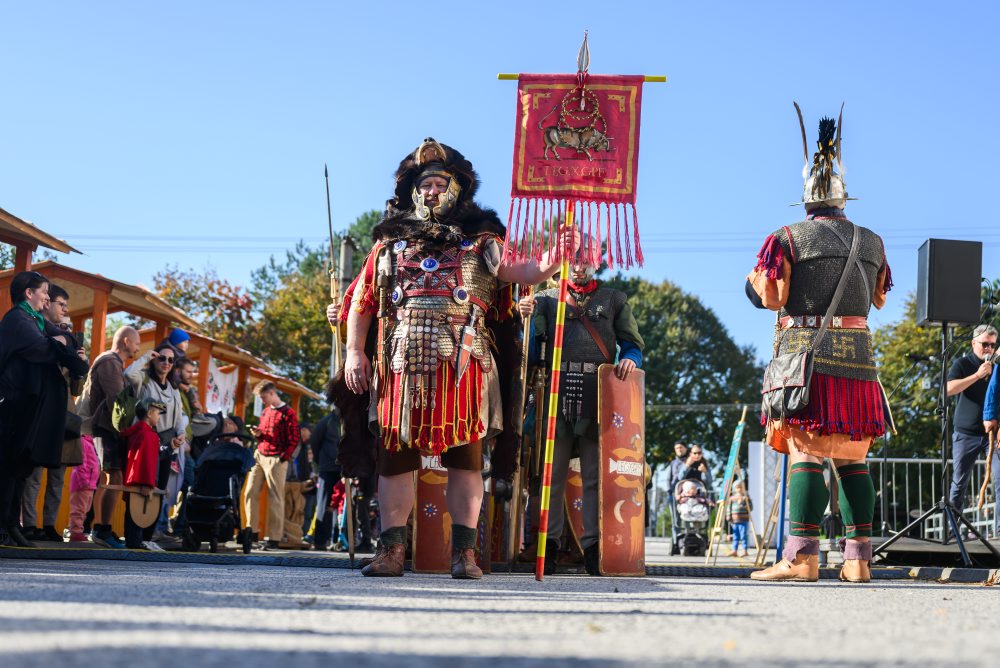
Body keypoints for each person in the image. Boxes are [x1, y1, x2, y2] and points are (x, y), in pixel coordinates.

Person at [333, 138, 575, 579]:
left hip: (464, 364)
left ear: (457, 190)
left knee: (465, 458)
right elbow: (362, 304)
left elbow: (521, 271)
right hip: (400, 364)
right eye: (425, 184)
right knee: (395, 459)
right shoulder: (388, 246)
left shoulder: (483, 242)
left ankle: (464, 554)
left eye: (440, 183)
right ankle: (391, 551)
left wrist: (554, 258)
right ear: (412, 191)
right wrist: (353, 353)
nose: (432, 191)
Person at [746, 106, 892, 583]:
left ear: (806, 198)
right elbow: (879, 297)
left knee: (806, 452)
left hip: (806, 359)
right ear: (843, 196)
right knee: (853, 458)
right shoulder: (872, 241)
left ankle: (802, 558)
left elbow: (771, 297)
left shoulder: (786, 237)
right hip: (860, 361)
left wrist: (753, 282)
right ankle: (858, 561)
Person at [518, 249, 644, 575]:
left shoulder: (614, 299)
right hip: (554, 392)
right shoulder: (545, 299)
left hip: (598, 393)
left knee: (593, 477)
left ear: (597, 261)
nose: (579, 265)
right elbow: (533, 353)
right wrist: (527, 319)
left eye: (585, 258)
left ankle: (592, 547)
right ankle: (549, 544)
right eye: (573, 258)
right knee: (552, 476)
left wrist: (630, 358)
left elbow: (632, 344)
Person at [0, 271, 88, 547]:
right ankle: (5, 527)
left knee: (18, 469)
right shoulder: (17, 319)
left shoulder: (35, 320)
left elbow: (71, 343)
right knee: (7, 469)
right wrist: (60, 343)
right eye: (44, 292)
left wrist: (63, 342)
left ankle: (11, 525)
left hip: (27, 408)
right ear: (29, 293)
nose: (48, 298)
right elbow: (42, 348)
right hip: (10, 407)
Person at [21, 284, 81, 542]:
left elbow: (77, 387)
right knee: (33, 475)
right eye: (61, 305)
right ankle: (29, 525)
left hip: (65, 416)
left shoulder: (68, 340)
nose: (65, 312)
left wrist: (78, 362)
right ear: (47, 304)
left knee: (57, 478)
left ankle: (49, 525)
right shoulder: (36, 331)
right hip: (40, 413)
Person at [125, 343, 187, 541]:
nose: (166, 363)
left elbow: (180, 417)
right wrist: (145, 357)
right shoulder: (144, 381)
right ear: (154, 359)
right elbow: (128, 374)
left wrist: (181, 433)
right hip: (145, 444)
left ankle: (147, 538)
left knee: (159, 490)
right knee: (140, 489)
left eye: (171, 360)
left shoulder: (174, 389)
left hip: (166, 447)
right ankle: (134, 538)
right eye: (162, 358)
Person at [87, 326, 141, 548]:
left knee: (111, 478)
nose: (138, 347)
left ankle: (98, 526)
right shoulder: (109, 362)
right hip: (106, 429)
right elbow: (118, 401)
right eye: (137, 342)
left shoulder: (116, 364)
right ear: (126, 341)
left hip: (111, 430)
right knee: (112, 477)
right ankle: (101, 529)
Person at [947, 325, 999, 529]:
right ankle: (954, 528)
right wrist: (977, 375)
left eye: (992, 345)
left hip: (993, 435)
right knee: (959, 483)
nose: (988, 349)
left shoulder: (998, 366)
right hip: (965, 432)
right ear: (973, 343)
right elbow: (948, 389)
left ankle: (999, 530)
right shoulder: (963, 363)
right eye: (984, 344)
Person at [243, 380, 300, 549]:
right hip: (260, 455)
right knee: (250, 492)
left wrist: (283, 457)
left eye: (263, 397)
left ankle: (274, 538)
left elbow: (294, 438)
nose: (262, 401)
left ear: (272, 393)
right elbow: (266, 435)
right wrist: (258, 434)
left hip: (277, 458)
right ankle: (251, 533)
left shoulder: (288, 413)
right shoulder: (265, 412)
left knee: (276, 498)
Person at [121, 398, 167, 550]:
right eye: (158, 413)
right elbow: (145, 461)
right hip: (142, 481)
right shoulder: (149, 435)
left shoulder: (137, 432)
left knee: (132, 513)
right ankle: (135, 543)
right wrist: (147, 483)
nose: (159, 417)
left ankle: (132, 542)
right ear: (149, 413)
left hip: (133, 479)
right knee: (139, 513)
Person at [308, 392, 343, 551]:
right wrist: (321, 462)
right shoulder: (326, 421)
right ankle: (319, 541)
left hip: (344, 470)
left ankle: (339, 540)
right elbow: (315, 443)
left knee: (341, 507)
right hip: (327, 469)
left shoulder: (349, 421)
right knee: (322, 505)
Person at [67, 435, 101, 542]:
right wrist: (84, 481)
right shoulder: (83, 442)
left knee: (84, 509)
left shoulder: (91, 443)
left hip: (90, 484)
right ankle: (75, 532)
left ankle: (78, 530)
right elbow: (80, 463)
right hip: (83, 484)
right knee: (79, 509)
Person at [726, 480, 753, 558]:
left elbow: (750, 508)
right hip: (735, 520)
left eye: (741, 487)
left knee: (743, 535)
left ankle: (745, 550)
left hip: (744, 519)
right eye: (737, 487)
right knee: (735, 536)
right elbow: (729, 507)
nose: (739, 489)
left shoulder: (746, 497)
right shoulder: (732, 498)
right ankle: (734, 550)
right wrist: (728, 515)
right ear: (735, 488)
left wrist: (743, 502)